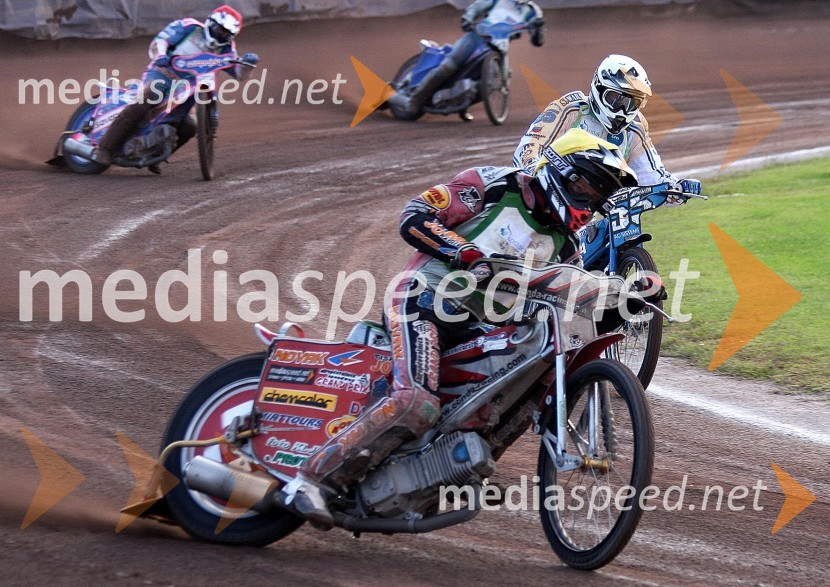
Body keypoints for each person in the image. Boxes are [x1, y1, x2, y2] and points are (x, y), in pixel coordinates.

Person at [279, 128, 650, 529]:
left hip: (480, 328)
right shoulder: (491, 185)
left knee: (521, 391)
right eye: (585, 186)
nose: (588, 200)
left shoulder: (566, 245)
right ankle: (311, 479)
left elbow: (572, 300)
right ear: (559, 170)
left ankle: (445, 472)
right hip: (423, 299)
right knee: (415, 402)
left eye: (597, 196)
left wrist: (625, 303)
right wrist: (464, 252)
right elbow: (415, 215)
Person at [92, 5, 259, 172]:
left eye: (226, 33)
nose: (221, 34)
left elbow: (239, 74)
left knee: (190, 125)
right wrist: (161, 56)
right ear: (210, 22)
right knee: (148, 97)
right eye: (218, 29)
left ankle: (155, 157)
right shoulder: (189, 27)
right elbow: (161, 41)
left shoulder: (227, 49)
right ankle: (105, 148)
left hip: (190, 87)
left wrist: (248, 65)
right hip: (164, 72)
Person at [513, 54, 701, 197]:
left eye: (632, 103)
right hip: (548, 198)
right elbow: (528, 149)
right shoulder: (570, 109)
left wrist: (676, 187)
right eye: (616, 99)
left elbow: (651, 175)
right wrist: (535, 172)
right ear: (598, 88)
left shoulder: (635, 128)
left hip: (598, 211)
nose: (622, 110)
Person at [387, 0, 545, 119]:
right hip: (476, 37)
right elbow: (477, 7)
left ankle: (462, 104)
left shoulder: (533, 11)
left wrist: (538, 29)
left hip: (500, 46)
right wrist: (468, 18)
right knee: (448, 67)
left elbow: (538, 40)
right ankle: (413, 101)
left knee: (499, 81)